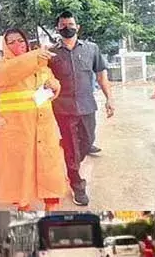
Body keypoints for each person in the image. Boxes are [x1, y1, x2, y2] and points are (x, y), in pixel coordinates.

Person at [0, 27, 68, 210]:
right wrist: (36, 57)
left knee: (49, 172)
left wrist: (54, 85)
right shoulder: (2, 66)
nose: (17, 44)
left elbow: (52, 81)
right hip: (18, 130)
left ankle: (52, 211)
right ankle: (24, 209)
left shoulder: (40, 63)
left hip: (44, 125)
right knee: (21, 174)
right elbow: (14, 70)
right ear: (5, 46)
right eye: (11, 42)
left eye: (21, 40)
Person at [49, 11, 116, 207]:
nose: (67, 27)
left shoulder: (92, 49)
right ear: (57, 29)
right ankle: (77, 184)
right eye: (62, 25)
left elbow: (102, 77)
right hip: (63, 108)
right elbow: (44, 81)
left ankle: (73, 165)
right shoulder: (51, 53)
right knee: (71, 148)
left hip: (87, 106)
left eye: (70, 24)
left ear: (77, 27)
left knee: (87, 142)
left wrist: (109, 99)